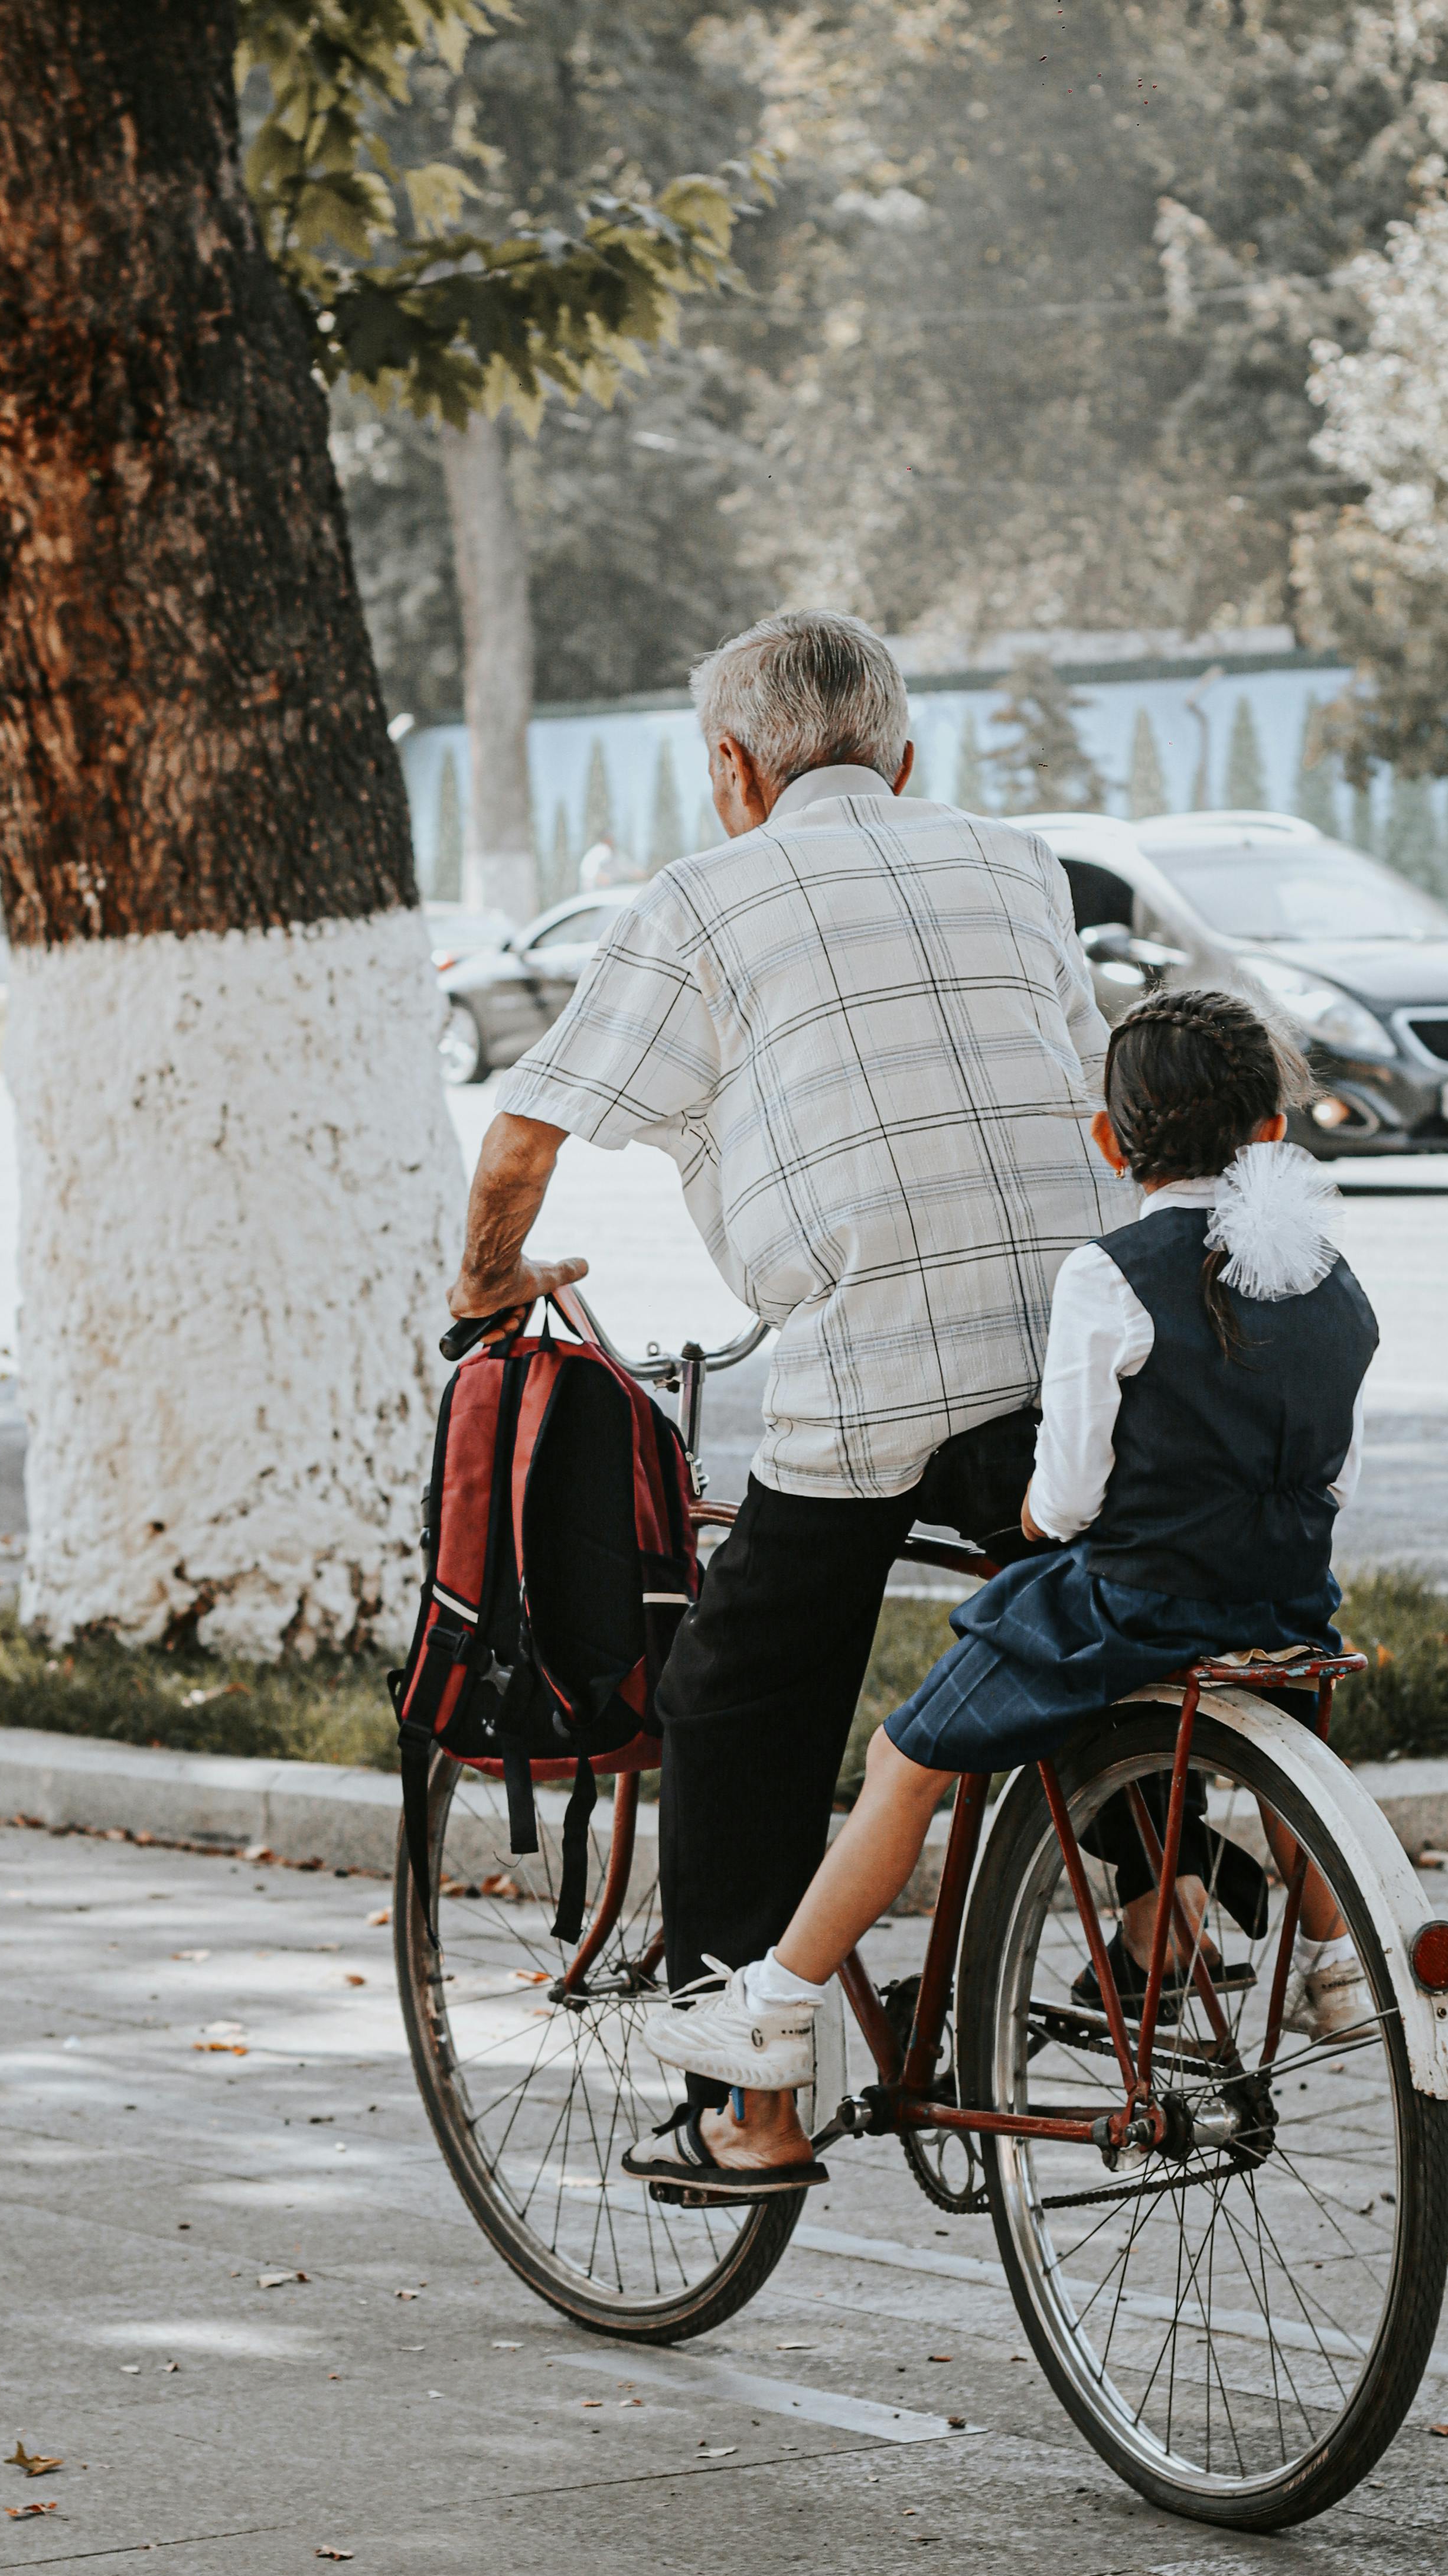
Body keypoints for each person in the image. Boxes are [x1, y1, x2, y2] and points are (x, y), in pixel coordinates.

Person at [442, 608, 1131, 2191]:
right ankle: (1155, 1922)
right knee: (1077, 1601)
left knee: (736, 1693)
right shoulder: (1017, 860)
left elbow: (526, 1133)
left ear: (728, 770)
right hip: (1091, 1345)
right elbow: (1092, 1090)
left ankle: (739, 2094)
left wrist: (487, 1278)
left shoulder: (697, 895)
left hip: (876, 1365)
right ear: (903, 761)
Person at [643, 987, 1381, 2189]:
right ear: (1266, 1130)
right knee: (1285, 1725)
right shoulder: (1326, 1273)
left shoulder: (1112, 1276)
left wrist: (1036, 1521)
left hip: (1127, 1605)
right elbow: (1336, 1471)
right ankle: (1339, 1966)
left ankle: (772, 2010)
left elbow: (1071, 1498)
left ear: (1108, 1142)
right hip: (1282, 1603)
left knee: (908, 1757)